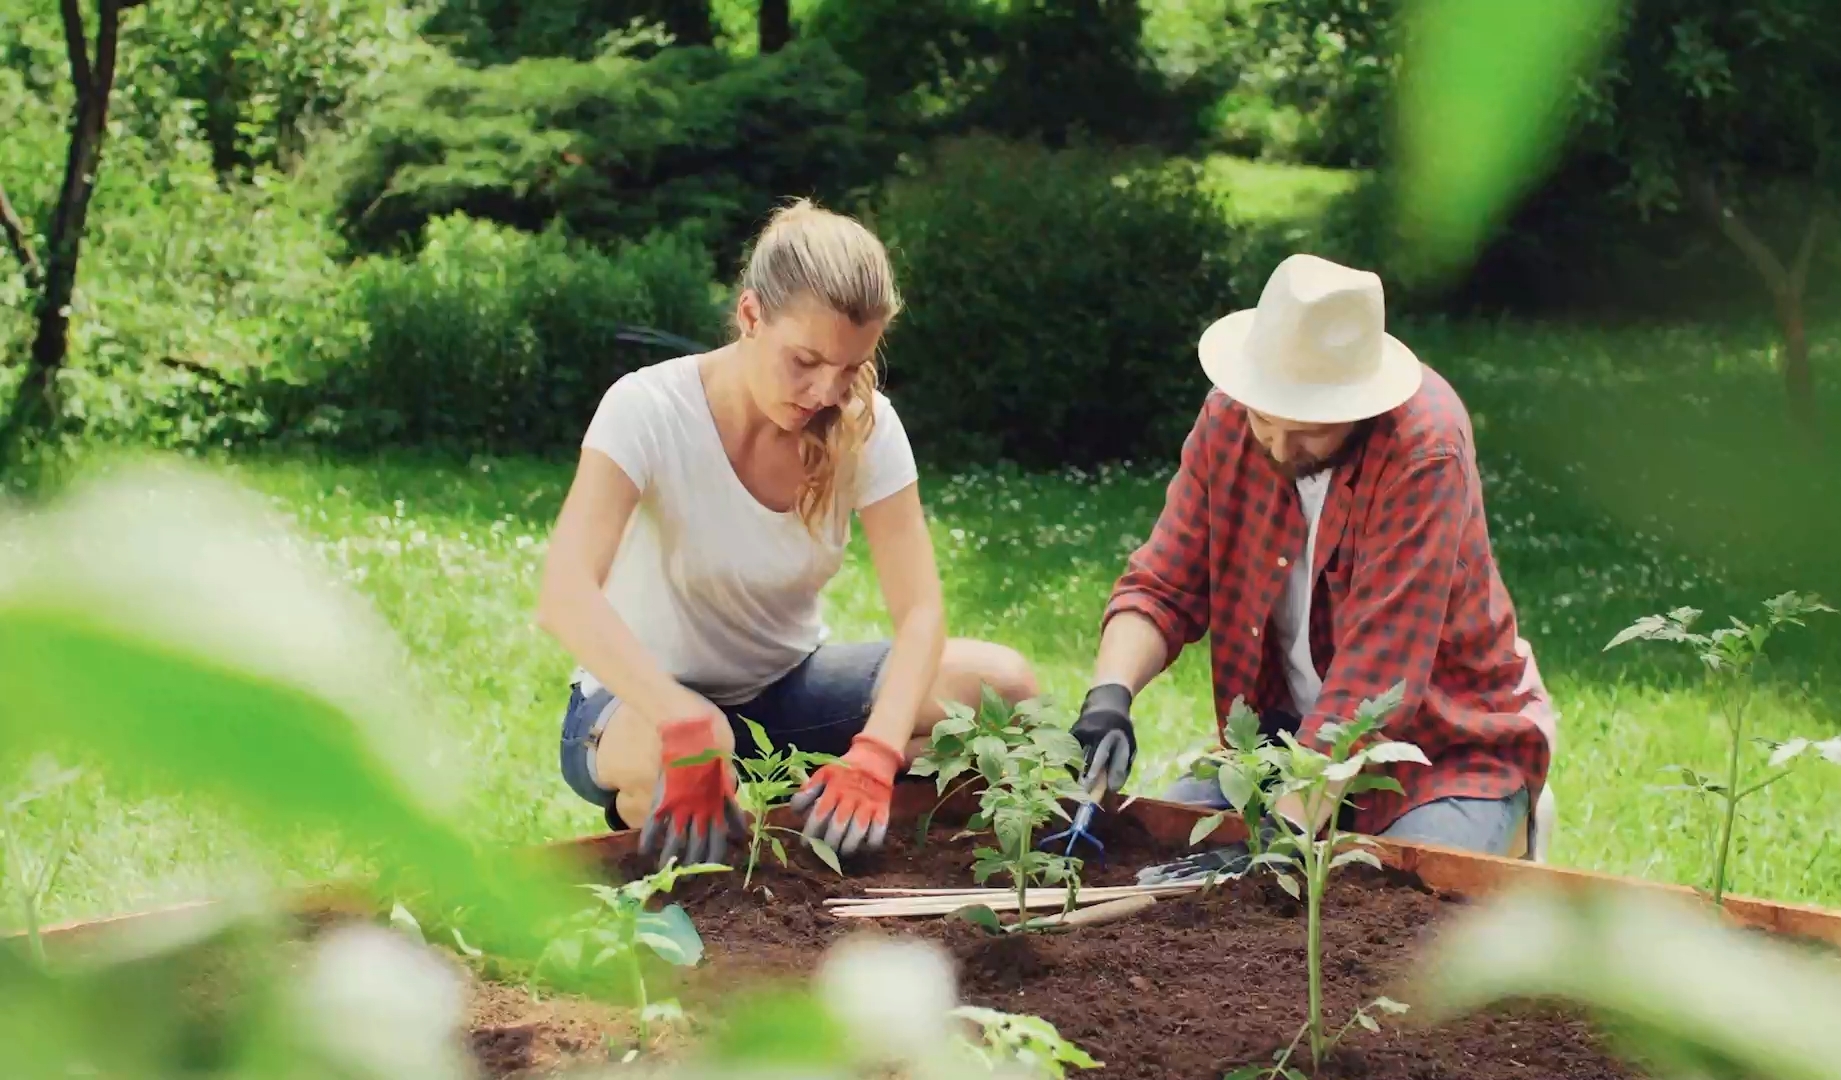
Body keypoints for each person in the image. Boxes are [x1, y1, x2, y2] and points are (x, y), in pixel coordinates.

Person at [538, 199, 1038, 871]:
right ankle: (696, 822)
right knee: (702, 741)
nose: (825, 392)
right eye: (804, 360)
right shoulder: (648, 407)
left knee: (1003, 685)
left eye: (848, 368)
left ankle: (804, 806)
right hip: (638, 706)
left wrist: (878, 752)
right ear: (750, 315)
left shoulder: (866, 424)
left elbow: (920, 612)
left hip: (786, 688)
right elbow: (565, 593)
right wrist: (680, 721)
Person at [1069, 253, 1558, 880]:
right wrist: (1109, 698)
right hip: (1282, 744)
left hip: (1444, 750)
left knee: (1390, 902)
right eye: (1265, 419)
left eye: (1309, 432)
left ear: (1360, 402)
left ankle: (1517, 813)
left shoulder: (1424, 449)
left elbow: (1376, 683)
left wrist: (1274, 839)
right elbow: (1162, 585)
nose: (1276, 445)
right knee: (1163, 850)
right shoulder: (1227, 419)